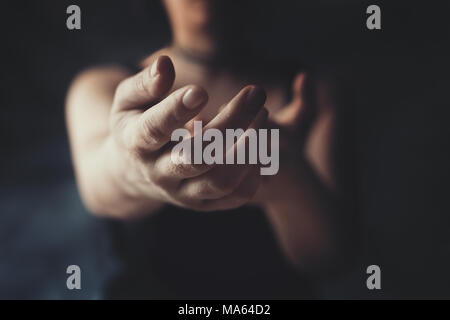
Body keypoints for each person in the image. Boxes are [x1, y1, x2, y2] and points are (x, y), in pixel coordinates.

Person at [66, 0, 347, 299]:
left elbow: (330, 258)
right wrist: (133, 167)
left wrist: (289, 177)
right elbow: (99, 188)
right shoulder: (100, 87)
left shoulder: (314, 93)